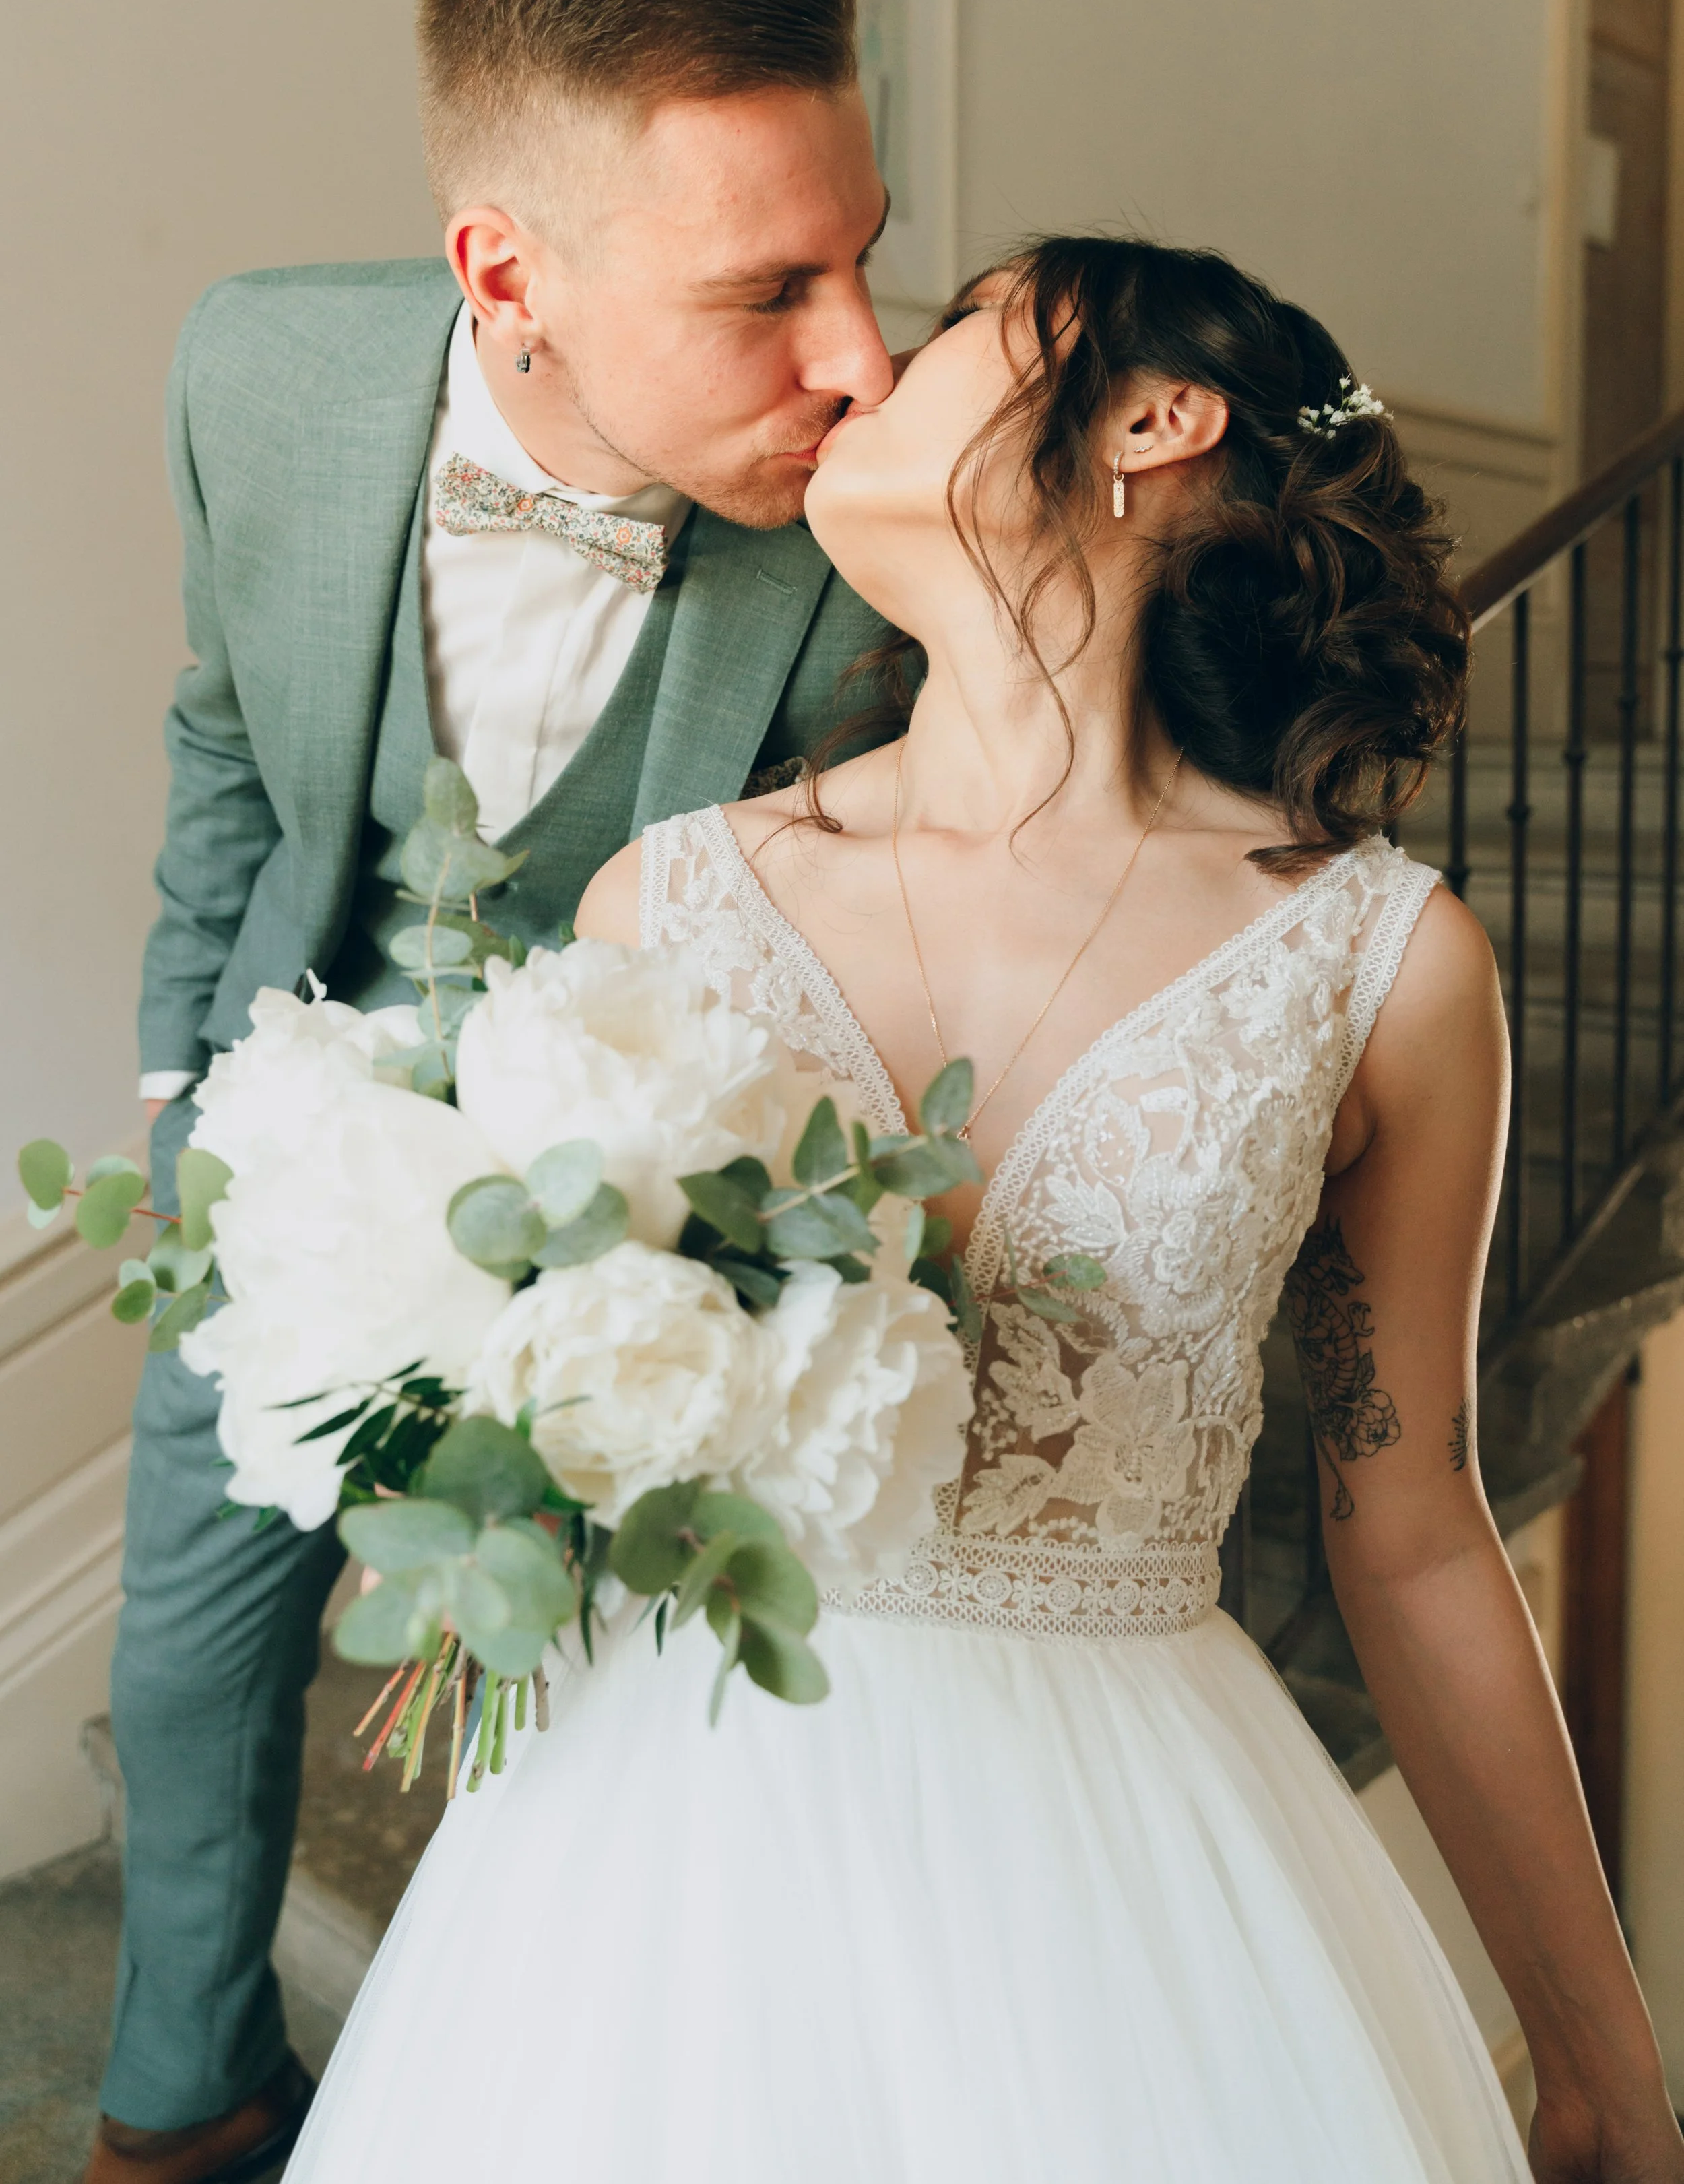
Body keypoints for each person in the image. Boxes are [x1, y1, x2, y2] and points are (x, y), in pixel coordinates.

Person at [284, 237, 1684, 2184]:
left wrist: (1606, 2061)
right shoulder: (666, 904)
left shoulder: (1377, 962)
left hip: (1142, 1882)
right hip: (667, 1863)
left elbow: (1421, 1533)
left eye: (948, 333)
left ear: (1147, 417)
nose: (857, 371)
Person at [95, 0, 899, 2184]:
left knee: (621, 1728)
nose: (856, 353)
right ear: (503, 276)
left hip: (674, 1222)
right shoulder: (255, 368)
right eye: (769, 290)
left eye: (866, 251)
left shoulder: (891, 513)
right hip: (297, 1117)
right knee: (190, 1651)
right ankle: (183, 2101)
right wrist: (184, 1084)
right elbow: (227, 738)